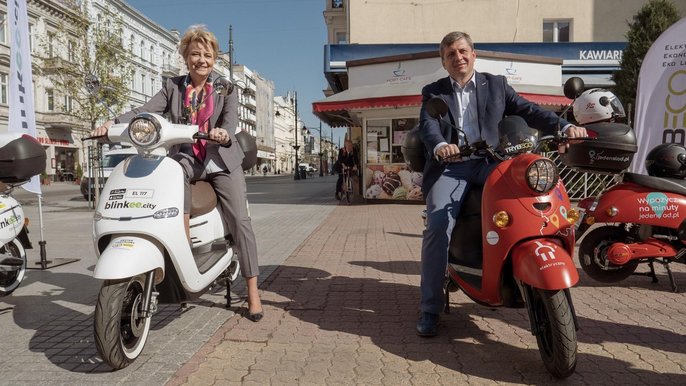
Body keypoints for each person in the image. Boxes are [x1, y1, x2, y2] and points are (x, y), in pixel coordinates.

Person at [416, 31, 588, 337]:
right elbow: (429, 127)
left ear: (473, 54)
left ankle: (521, 267)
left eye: (462, 51)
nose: (458, 58)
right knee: (439, 224)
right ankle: (430, 307)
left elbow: (528, 110)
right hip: (453, 167)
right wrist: (442, 145)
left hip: (492, 162)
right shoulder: (434, 92)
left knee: (528, 202)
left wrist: (564, 126)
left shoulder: (495, 84)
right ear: (444, 62)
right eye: (451, 54)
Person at [91, 25, 263, 322]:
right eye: (195, 54)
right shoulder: (172, 87)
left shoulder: (225, 88)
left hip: (220, 159)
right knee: (170, 178)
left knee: (239, 219)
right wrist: (111, 122)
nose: (202, 60)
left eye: (207, 55)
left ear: (214, 58)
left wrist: (223, 132)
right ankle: (180, 251)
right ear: (185, 56)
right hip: (187, 157)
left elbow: (231, 119)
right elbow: (145, 112)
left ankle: (252, 289)